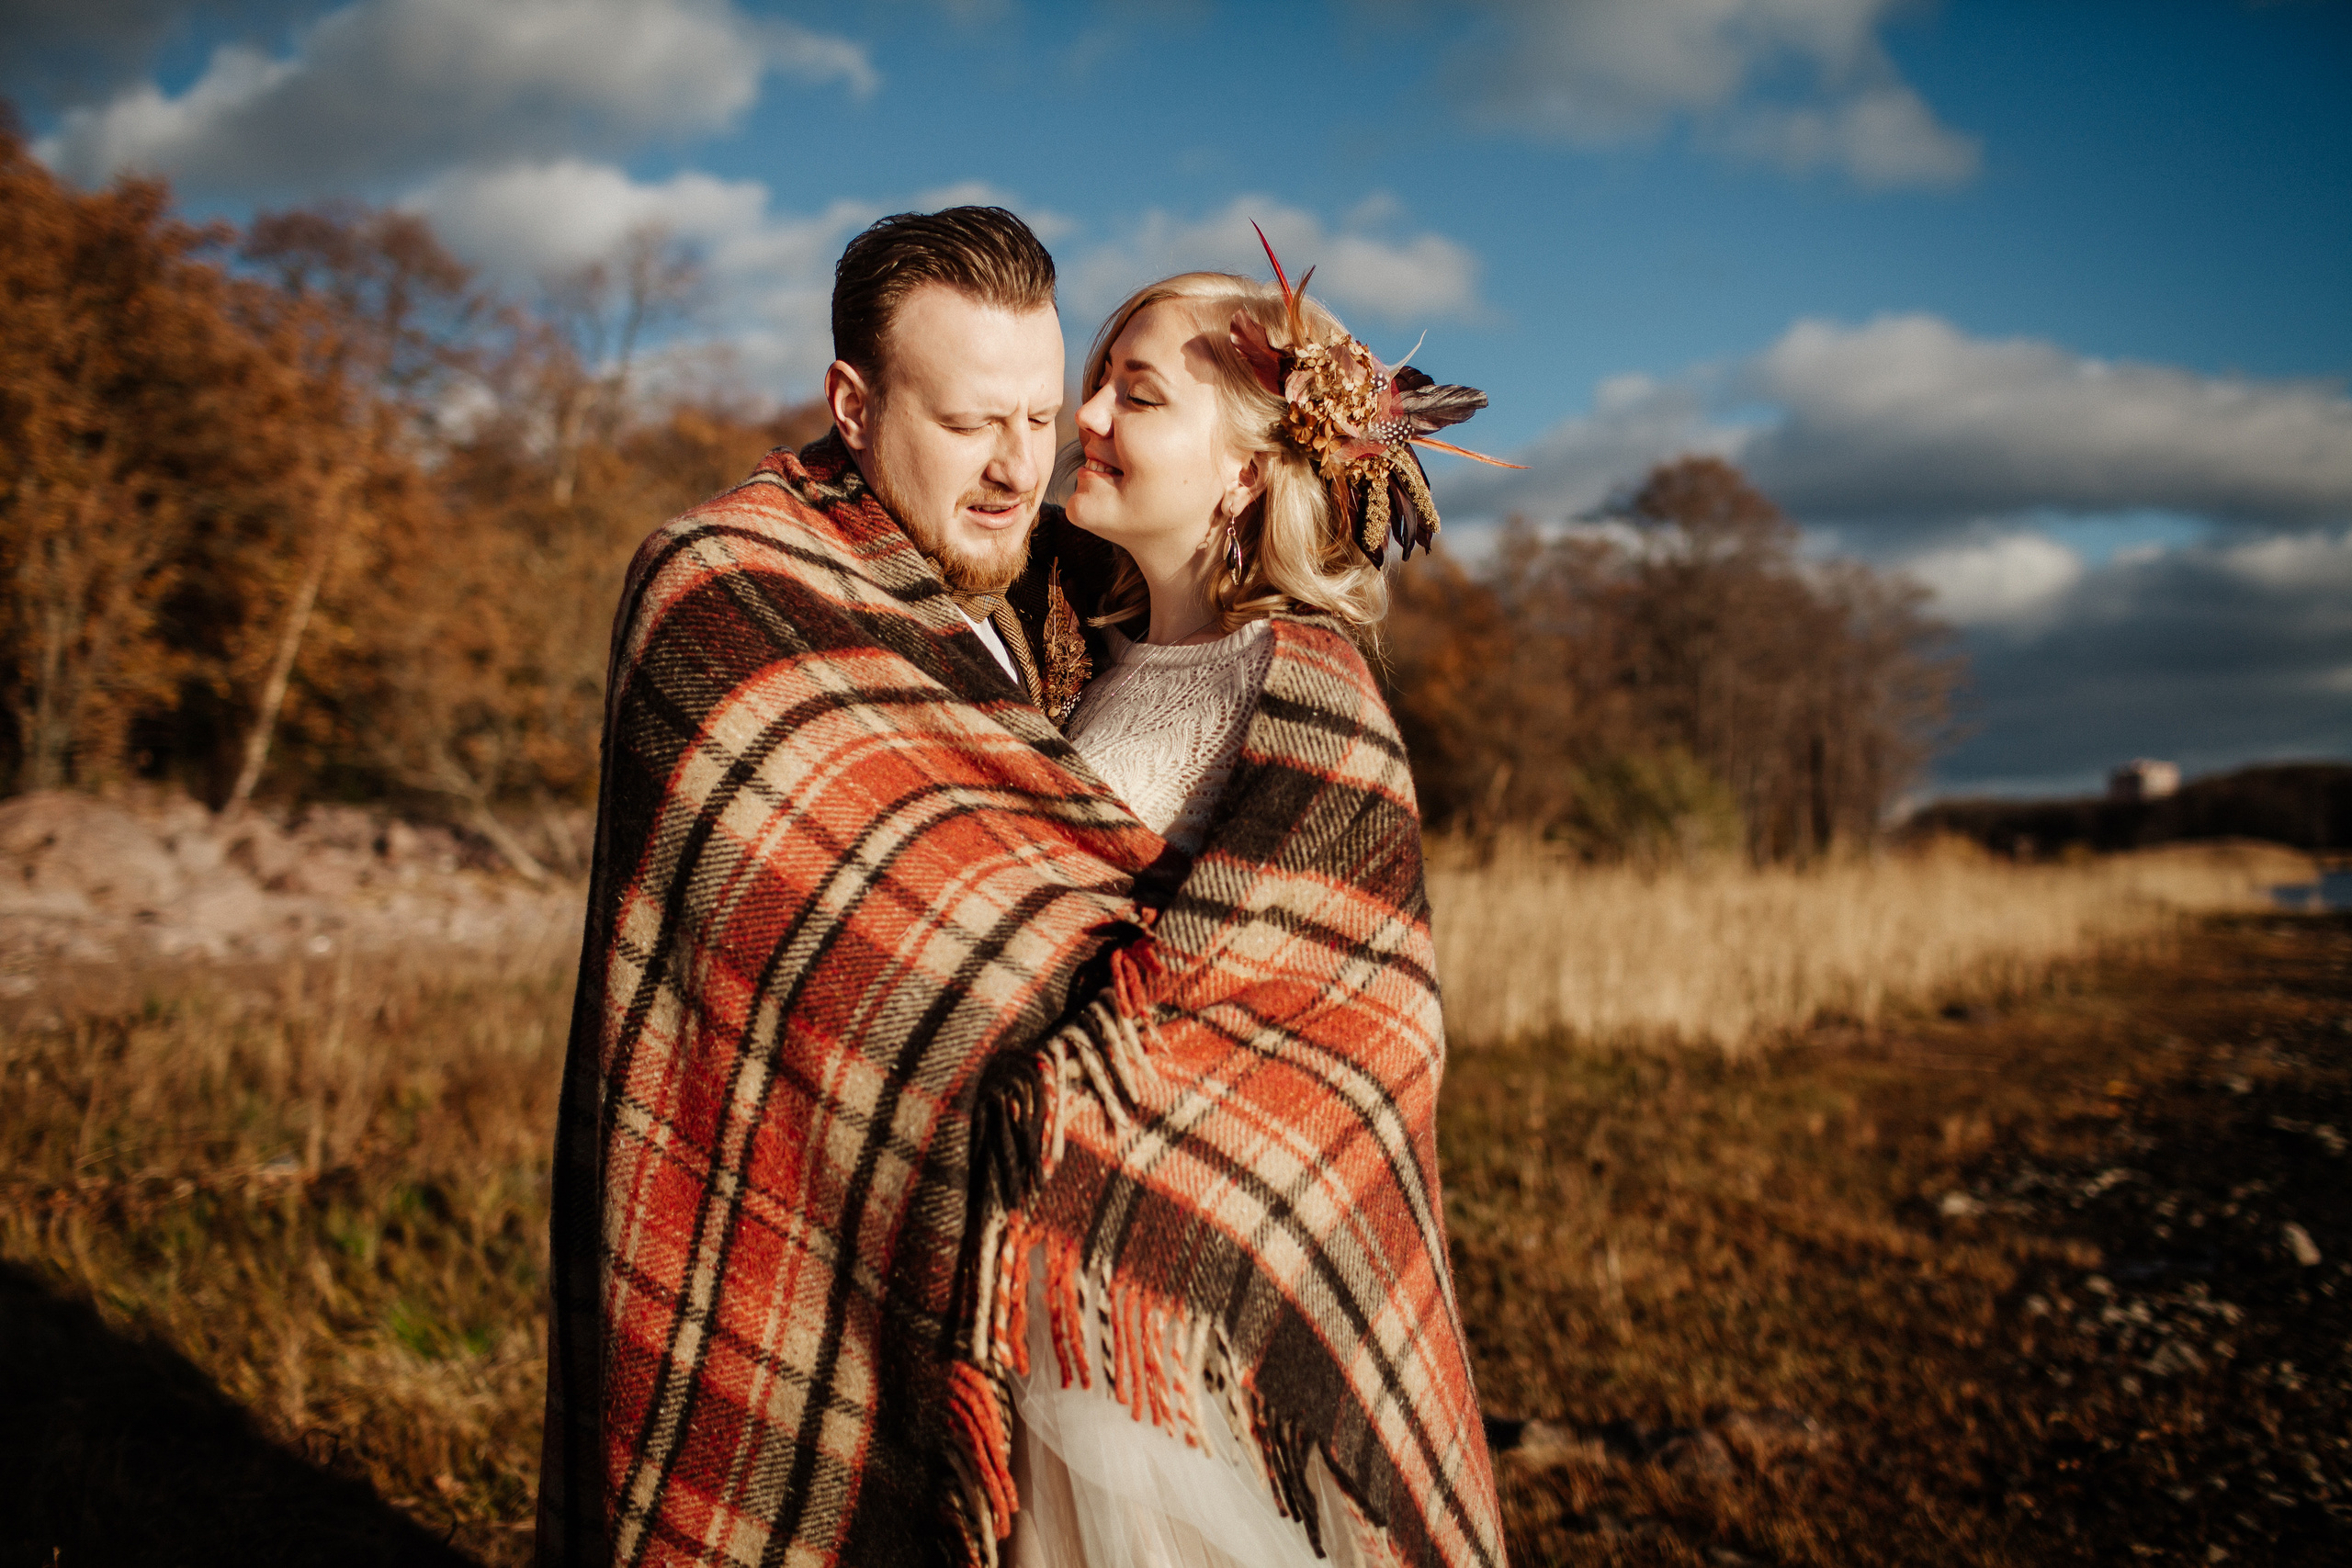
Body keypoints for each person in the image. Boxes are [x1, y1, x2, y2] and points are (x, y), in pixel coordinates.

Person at [538, 207, 1504, 1568]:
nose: (1036, 458)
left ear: (1244, 469)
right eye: (974, 422)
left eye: (1064, 412)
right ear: (852, 408)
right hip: (888, 1252)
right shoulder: (793, 603)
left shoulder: (1230, 666)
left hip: (1128, 1300)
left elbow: (1345, 1020)